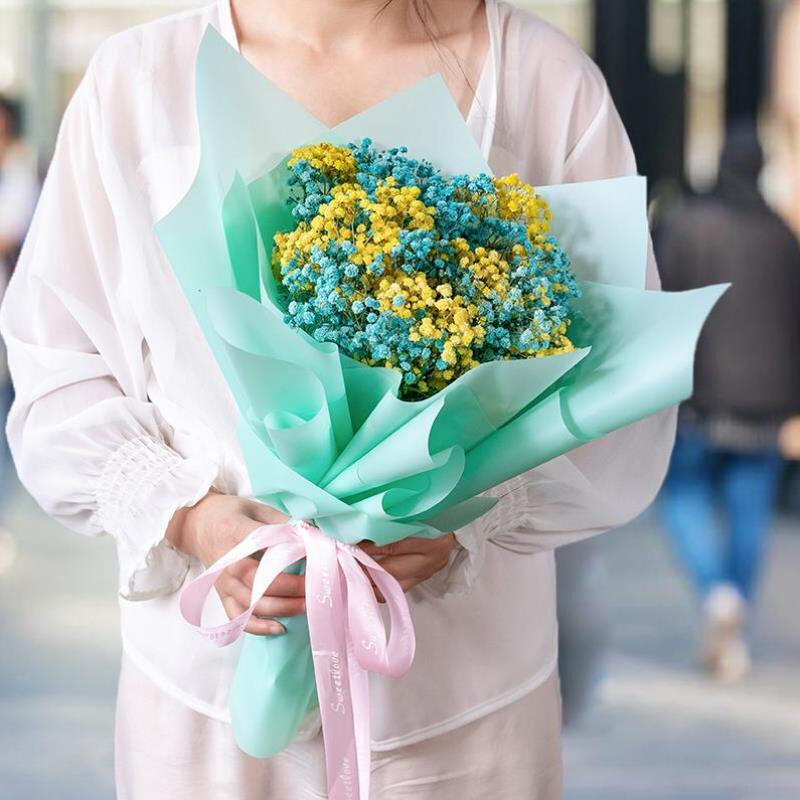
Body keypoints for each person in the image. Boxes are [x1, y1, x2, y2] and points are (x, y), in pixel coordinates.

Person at [0, 1, 676, 797]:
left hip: (463, 702)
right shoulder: (138, 82)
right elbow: (59, 364)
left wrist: (471, 516)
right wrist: (194, 517)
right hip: (206, 703)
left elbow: (613, 385)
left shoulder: (543, 80)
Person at [655, 122, 800, 684]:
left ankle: (717, 593)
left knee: (681, 497)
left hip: (702, 393)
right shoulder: (782, 236)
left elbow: (663, 306)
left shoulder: (689, 226)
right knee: (750, 508)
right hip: (767, 400)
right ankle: (734, 612)